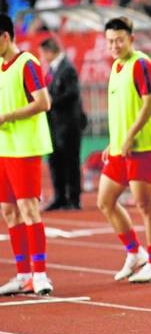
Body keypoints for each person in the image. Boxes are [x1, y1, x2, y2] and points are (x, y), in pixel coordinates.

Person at [97, 16, 151, 282]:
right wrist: (112, 142)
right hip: (120, 148)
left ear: (131, 39)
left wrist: (129, 137)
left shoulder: (142, 64)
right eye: (110, 41)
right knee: (105, 201)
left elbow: (149, 104)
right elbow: (122, 110)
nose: (114, 45)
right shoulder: (116, 66)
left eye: (119, 40)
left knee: (144, 204)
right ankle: (135, 252)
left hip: (142, 147)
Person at [0, 14, 54, 295]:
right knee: (9, 212)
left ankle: (40, 274)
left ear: (6, 37)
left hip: (26, 148)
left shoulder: (27, 63)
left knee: (28, 210)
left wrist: (8, 116)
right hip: (4, 149)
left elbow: (44, 102)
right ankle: (22, 275)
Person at [39, 37, 86, 211]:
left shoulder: (68, 68)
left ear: (49, 51)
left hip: (69, 124)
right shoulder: (53, 69)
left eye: (43, 53)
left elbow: (72, 93)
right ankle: (59, 197)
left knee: (71, 161)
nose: (42, 57)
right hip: (53, 124)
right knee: (55, 161)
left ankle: (73, 198)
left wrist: (50, 101)